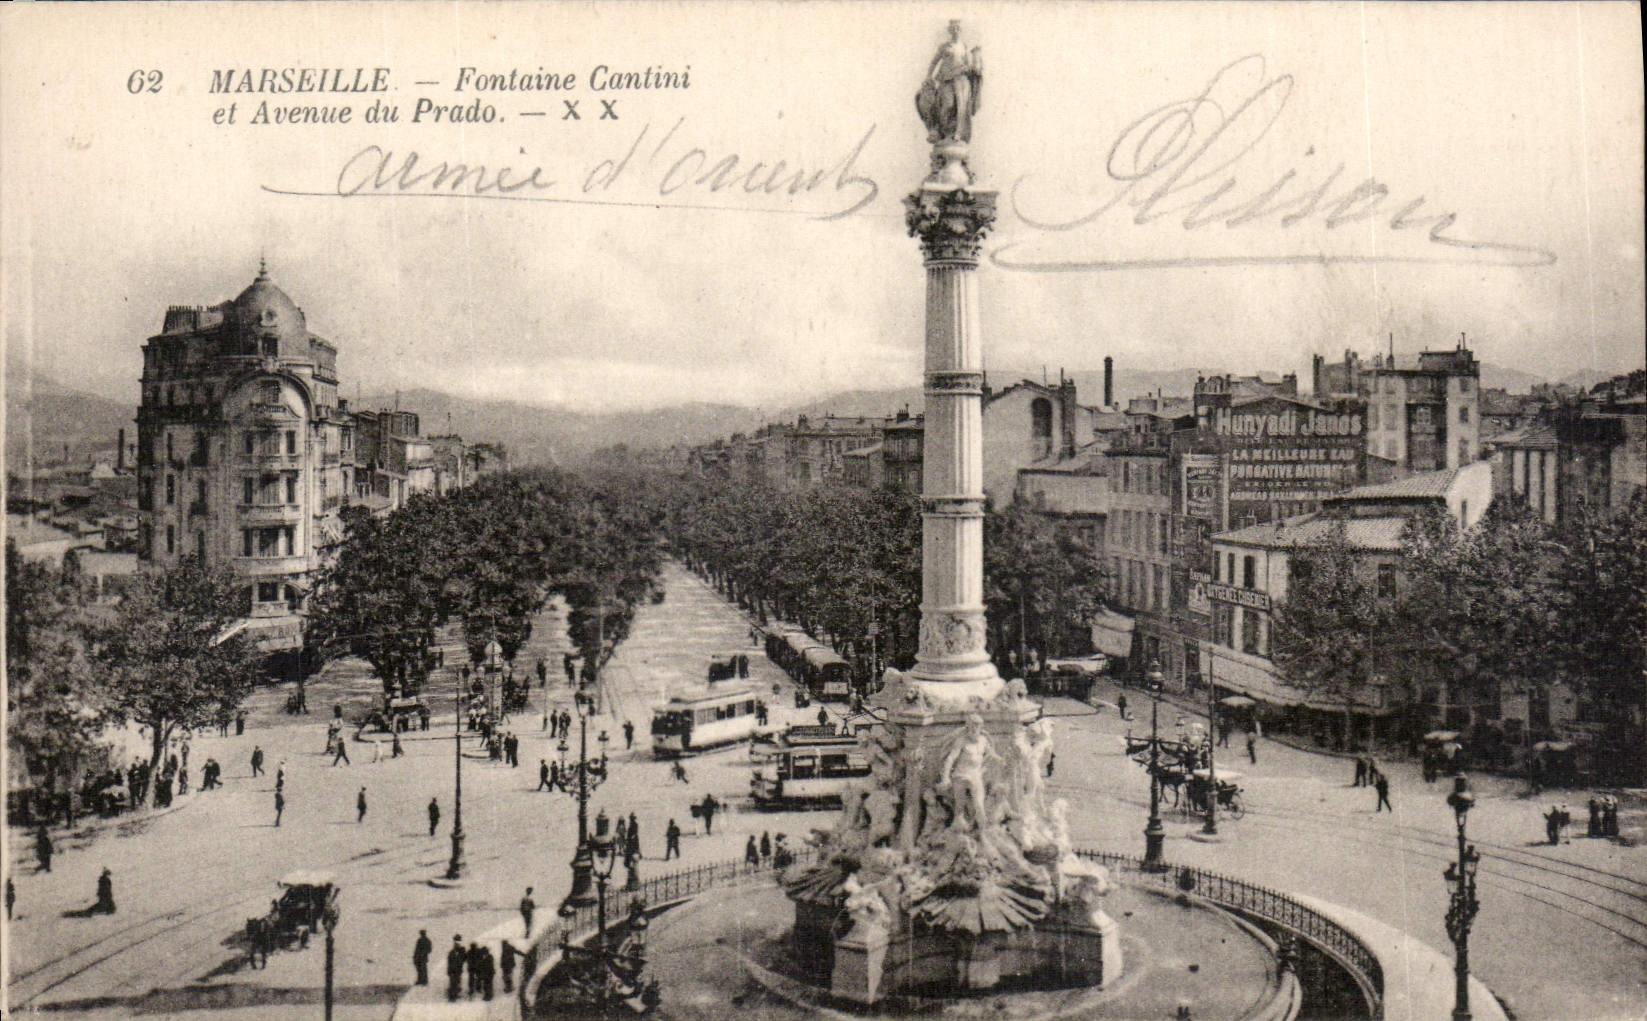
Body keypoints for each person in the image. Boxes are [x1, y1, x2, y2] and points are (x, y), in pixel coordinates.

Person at [446, 935, 466, 1001]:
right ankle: (453, 995)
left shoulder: (460, 952)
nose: (456, 944)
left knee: (456, 981)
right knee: (453, 982)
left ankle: (454, 995)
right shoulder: (452, 952)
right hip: (453, 970)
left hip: (457, 969)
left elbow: (463, 959)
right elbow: (449, 962)